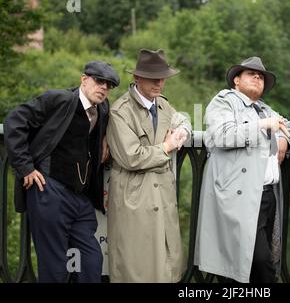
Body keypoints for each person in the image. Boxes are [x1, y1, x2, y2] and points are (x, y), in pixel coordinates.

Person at [4, 60, 120, 282]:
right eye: (99, 81)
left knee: (92, 259)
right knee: (54, 267)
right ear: (84, 79)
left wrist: (105, 139)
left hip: (81, 198)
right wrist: (25, 167)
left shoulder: (103, 108)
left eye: (109, 85)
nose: (104, 88)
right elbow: (14, 121)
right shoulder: (60, 99)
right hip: (49, 191)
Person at [194, 56, 290, 283]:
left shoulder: (263, 108)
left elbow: (289, 126)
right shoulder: (224, 101)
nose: (258, 78)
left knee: (259, 260)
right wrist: (261, 126)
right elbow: (221, 135)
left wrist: (284, 140)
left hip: (267, 195)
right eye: (252, 74)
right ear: (237, 81)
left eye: (261, 77)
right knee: (258, 262)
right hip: (239, 196)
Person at [106, 49, 191, 282]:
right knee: (136, 266)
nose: (159, 82)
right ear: (136, 78)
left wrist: (183, 129)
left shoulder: (162, 105)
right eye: (153, 78)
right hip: (135, 195)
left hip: (161, 192)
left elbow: (181, 118)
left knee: (167, 263)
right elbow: (131, 157)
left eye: (162, 77)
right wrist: (166, 147)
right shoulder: (120, 111)